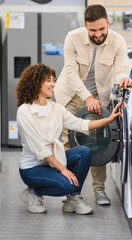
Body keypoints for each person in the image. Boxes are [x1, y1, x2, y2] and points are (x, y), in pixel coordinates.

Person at [53, 4, 132, 205]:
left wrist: (124, 78)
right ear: (85, 26)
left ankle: (99, 190)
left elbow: (120, 69)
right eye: (93, 30)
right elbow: (71, 73)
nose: (98, 34)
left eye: (101, 29)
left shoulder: (118, 41)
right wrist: (87, 97)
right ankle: (70, 190)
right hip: (70, 95)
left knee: (99, 141)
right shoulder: (72, 38)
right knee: (67, 140)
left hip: (99, 95)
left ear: (107, 23)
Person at [16, 64, 122, 215]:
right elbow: (40, 149)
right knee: (66, 185)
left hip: (52, 162)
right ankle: (32, 193)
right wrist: (63, 170)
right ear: (36, 82)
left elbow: (80, 124)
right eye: (48, 80)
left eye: (54, 80)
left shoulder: (55, 108)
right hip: (32, 169)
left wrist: (109, 120)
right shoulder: (24, 111)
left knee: (84, 151)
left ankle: (73, 199)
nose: (53, 84)